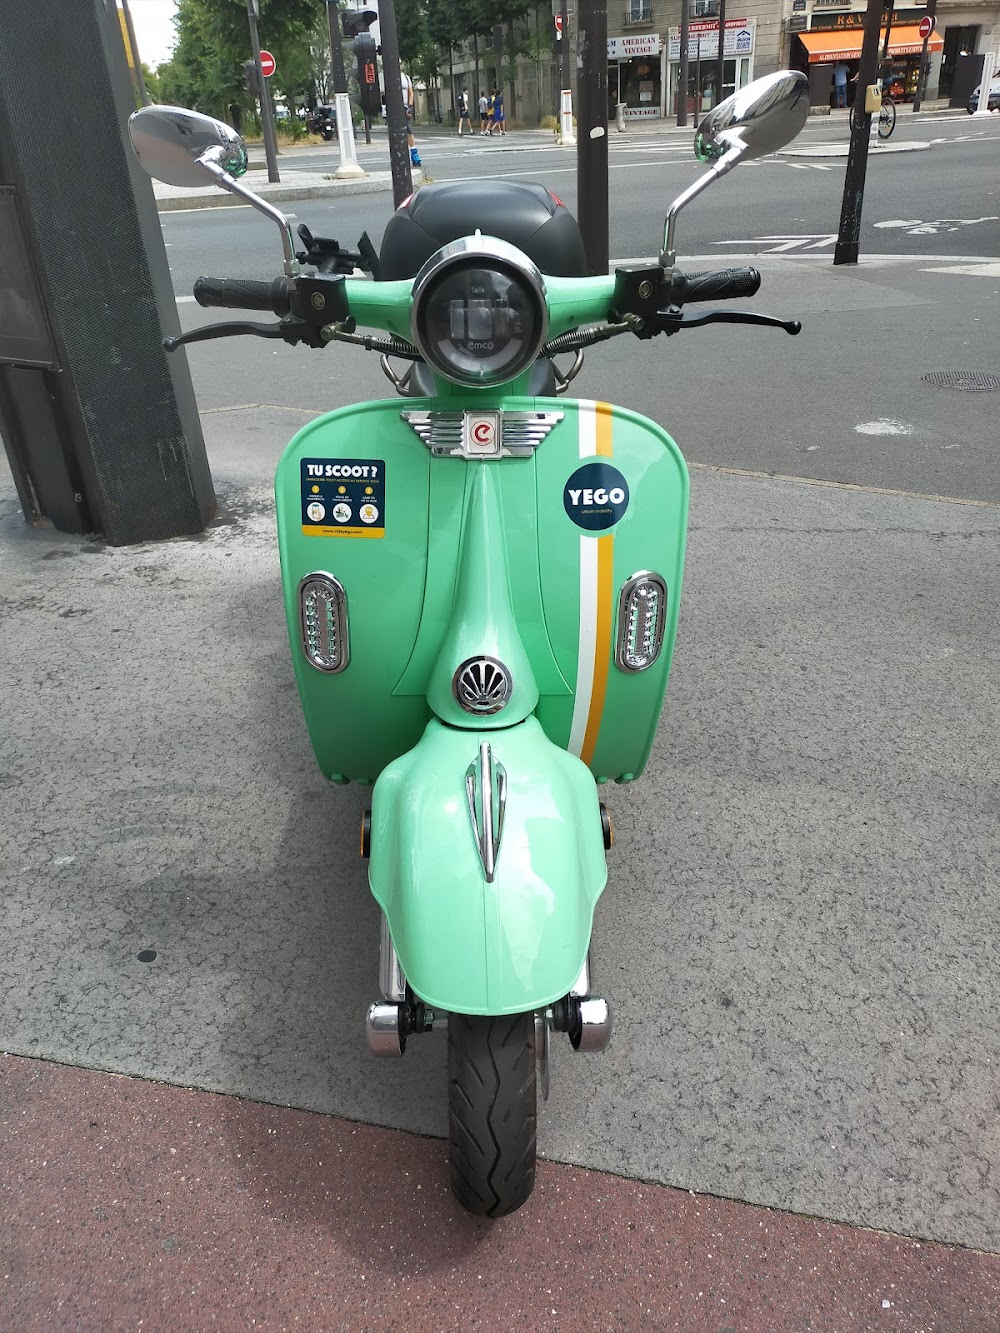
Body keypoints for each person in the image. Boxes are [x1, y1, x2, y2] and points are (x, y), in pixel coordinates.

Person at [401, 70, 421, 166]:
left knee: (408, 129)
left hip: (405, 106)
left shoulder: (406, 77)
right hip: (395, 107)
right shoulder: (389, 76)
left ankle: (414, 154)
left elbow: (411, 93)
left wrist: (410, 106)